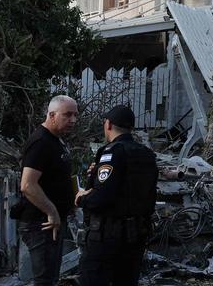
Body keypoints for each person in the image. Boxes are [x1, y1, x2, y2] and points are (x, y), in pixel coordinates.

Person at [76, 105, 158, 286]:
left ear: (108, 124)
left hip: (108, 236)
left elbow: (101, 197)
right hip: (136, 236)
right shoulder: (147, 154)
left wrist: (82, 197)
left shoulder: (112, 152)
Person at [17, 95, 78, 286]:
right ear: (51, 115)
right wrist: (51, 212)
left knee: (51, 278)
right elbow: (27, 185)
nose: (73, 120)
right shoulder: (41, 142)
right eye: (67, 115)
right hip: (41, 223)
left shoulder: (55, 140)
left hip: (52, 222)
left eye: (75, 115)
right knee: (44, 281)